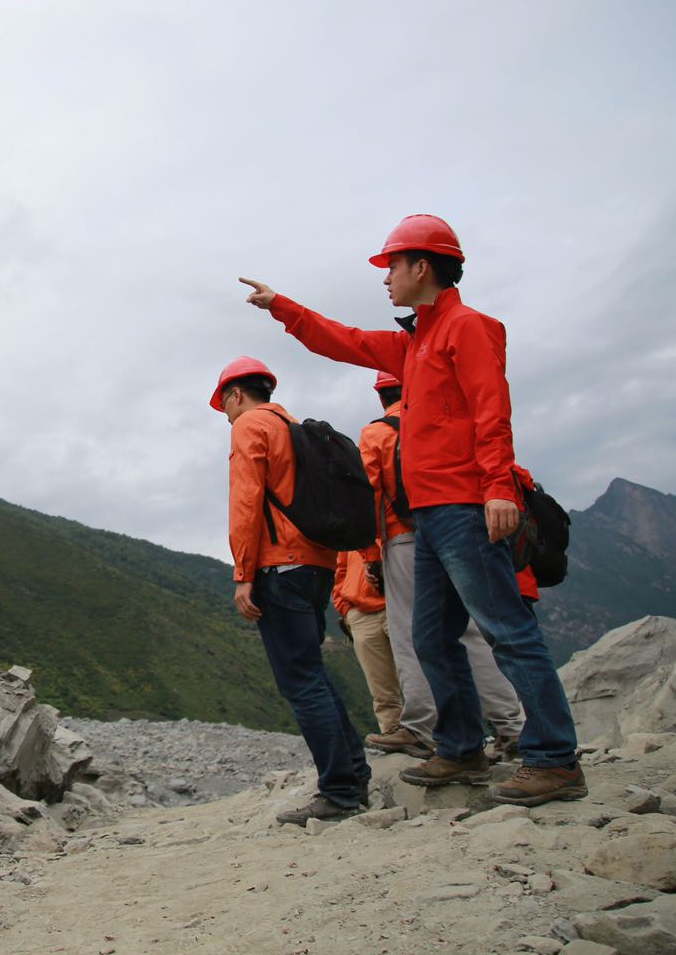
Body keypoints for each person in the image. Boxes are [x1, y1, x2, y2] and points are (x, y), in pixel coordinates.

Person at [240, 214, 585, 806]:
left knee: (506, 629)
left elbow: (490, 409)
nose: (386, 279)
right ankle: (461, 749)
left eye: (392, 266)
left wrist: (499, 486)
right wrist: (282, 306)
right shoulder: (416, 342)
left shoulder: (469, 329)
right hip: (428, 514)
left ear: (422, 267)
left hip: (465, 504)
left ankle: (554, 758)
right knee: (430, 638)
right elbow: (344, 340)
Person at [211, 356, 371, 824]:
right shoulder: (296, 428)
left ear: (237, 394)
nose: (224, 412)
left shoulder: (250, 427)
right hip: (318, 565)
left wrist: (243, 574)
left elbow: (246, 503)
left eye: (223, 402)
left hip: (279, 568)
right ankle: (354, 774)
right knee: (313, 674)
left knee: (300, 681)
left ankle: (339, 791)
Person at [358, 371, 525, 762]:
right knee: (471, 633)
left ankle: (420, 727)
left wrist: (370, 557)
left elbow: (372, 500)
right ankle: (512, 726)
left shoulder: (377, 434)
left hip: (406, 539)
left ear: (381, 395)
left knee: (412, 634)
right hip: (460, 530)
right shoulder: (445, 421)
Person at [332, 549, 402, 741]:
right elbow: (341, 567)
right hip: (360, 611)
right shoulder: (351, 525)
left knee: (418, 674)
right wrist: (345, 608)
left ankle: (435, 735)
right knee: (380, 686)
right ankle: (392, 732)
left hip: (398, 601)